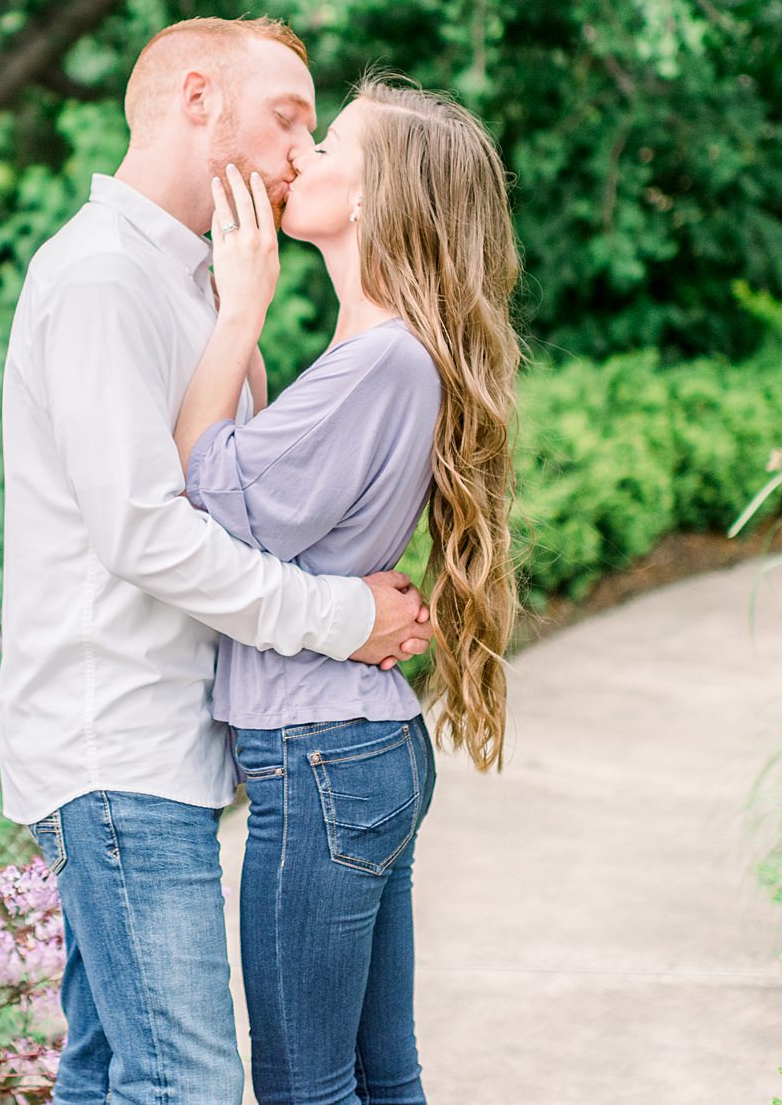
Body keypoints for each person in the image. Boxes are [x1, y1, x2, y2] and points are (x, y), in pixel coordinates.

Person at [0, 16, 436, 1105]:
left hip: (174, 737)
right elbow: (147, 531)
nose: (300, 150)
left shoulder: (205, 284)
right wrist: (344, 619)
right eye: (289, 118)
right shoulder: (104, 278)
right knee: (184, 1082)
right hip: (118, 740)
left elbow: (248, 504)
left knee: (108, 1070)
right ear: (199, 102)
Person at [174, 74, 521, 1105]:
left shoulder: (377, 363)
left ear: (369, 199)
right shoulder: (381, 354)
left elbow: (208, 493)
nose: (301, 159)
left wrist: (239, 313)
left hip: (321, 757)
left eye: (327, 149)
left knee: (304, 1087)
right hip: (354, 748)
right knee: (378, 1076)